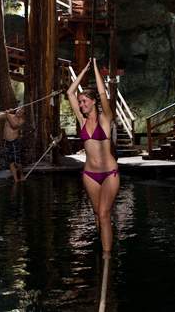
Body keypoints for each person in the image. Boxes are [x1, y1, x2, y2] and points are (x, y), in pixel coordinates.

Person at [66, 58, 119, 259]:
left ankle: (107, 260)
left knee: (104, 214)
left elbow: (103, 93)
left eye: (84, 101)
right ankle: (103, 245)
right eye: (79, 102)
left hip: (109, 174)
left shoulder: (105, 119)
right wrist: (84, 69)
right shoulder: (81, 120)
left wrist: (96, 68)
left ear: (93, 101)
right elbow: (70, 92)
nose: (80, 105)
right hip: (89, 175)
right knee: (98, 214)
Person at [0, 107, 25, 182]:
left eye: (22, 111)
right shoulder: (9, 115)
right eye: (19, 110)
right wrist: (5, 112)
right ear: (16, 109)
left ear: (23, 114)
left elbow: (14, 126)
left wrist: (7, 114)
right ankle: (16, 180)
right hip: (6, 142)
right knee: (10, 162)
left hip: (14, 142)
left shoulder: (21, 121)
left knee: (17, 162)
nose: (20, 111)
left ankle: (21, 175)